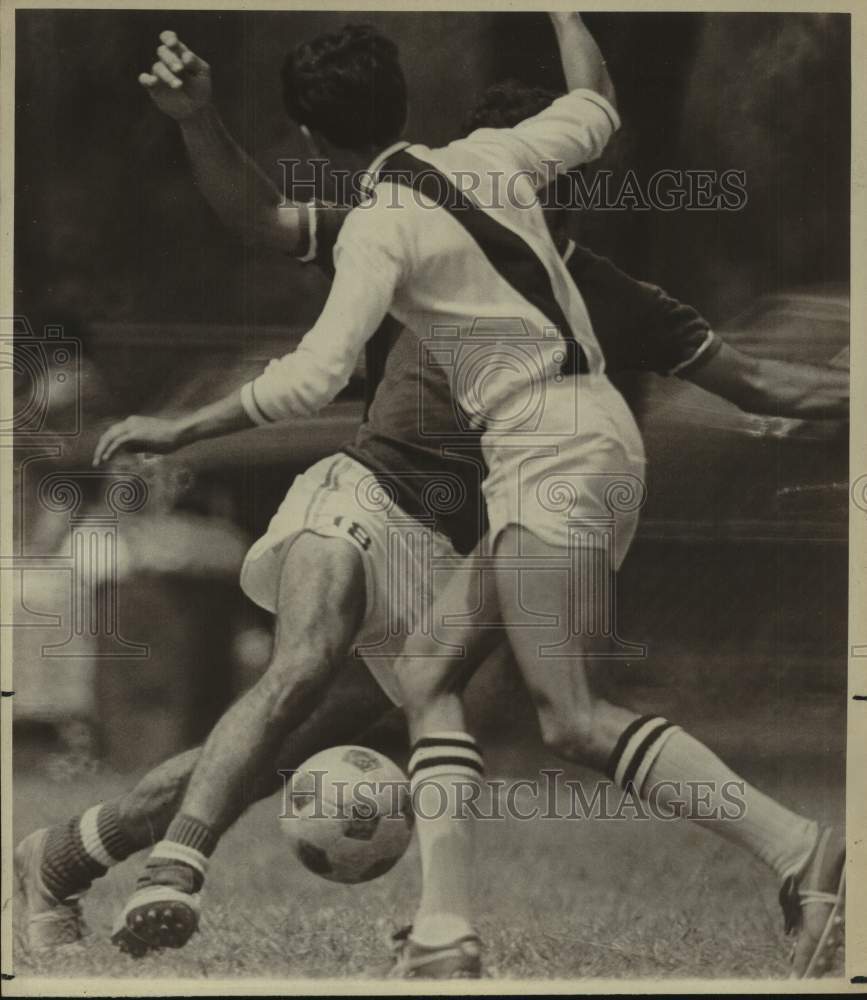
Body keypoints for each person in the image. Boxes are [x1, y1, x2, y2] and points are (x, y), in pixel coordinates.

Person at [16, 20, 848, 981]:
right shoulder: (426, 207)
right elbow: (268, 219)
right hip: (374, 493)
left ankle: (67, 857)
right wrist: (200, 122)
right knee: (321, 673)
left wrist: (182, 424)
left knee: (327, 730)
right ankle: (205, 871)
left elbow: (761, 379)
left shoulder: (577, 280)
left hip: (496, 511)